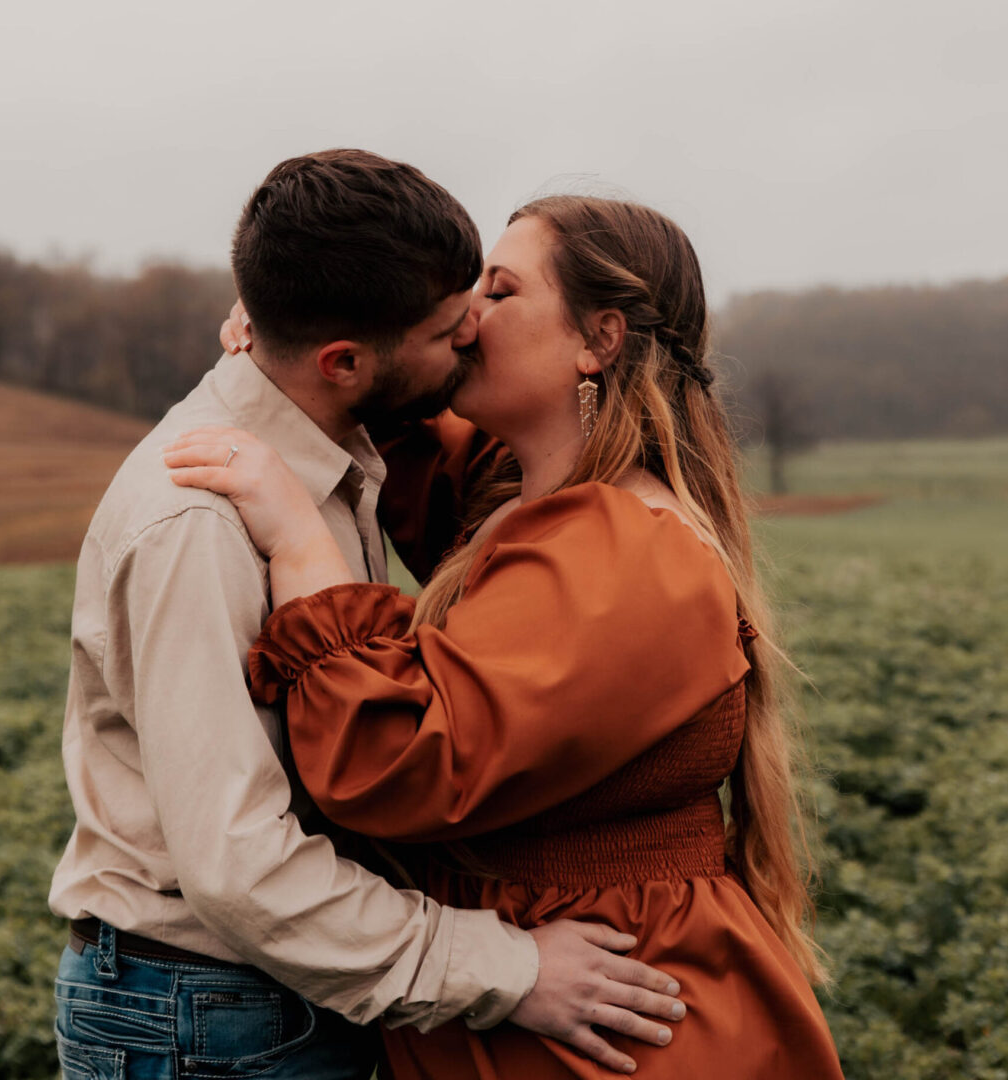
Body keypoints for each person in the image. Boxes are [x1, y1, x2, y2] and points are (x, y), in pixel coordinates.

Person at [165, 195, 845, 1078]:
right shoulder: (528, 497)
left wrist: (300, 542)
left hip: (611, 1035)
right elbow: (414, 426)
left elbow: (395, 759)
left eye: (498, 290)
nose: (464, 315)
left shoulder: (625, 556)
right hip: (554, 1014)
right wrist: (324, 340)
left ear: (596, 340)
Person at [49, 151, 685, 1080]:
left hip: (280, 989)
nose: (474, 330)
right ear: (344, 361)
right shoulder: (199, 523)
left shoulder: (325, 439)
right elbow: (237, 865)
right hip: (211, 1015)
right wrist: (507, 968)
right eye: (448, 327)